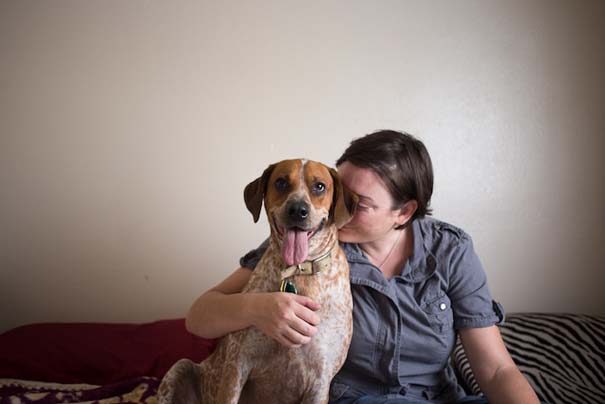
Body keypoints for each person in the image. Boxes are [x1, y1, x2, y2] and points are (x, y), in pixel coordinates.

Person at [185, 130, 540, 404]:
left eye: (358, 204)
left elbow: (496, 370)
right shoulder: (305, 240)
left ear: (404, 212)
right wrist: (256, 308)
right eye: (338, 193)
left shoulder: (449, 249)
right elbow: (200, 316)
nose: (337, 209)